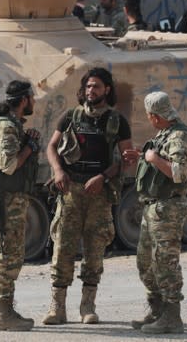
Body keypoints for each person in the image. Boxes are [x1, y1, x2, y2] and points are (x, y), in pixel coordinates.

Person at [42, 67, 135, 325]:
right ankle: (57, 307)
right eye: (88, 87)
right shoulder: (71, 116)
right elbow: (51, 146)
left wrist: (104, 177)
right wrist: (58, 170)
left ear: (107, 89)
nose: (91, 91)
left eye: (96, 86)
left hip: (98, 193)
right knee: (62, 247)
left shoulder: (116, 121)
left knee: (94, 250)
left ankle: (87, 306)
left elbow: (125, 158)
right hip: (70, 190)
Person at [127, 91, 187, 334]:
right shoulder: (164, 133)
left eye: (149, 116)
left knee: (165, 262)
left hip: (168, 208)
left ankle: (172, 317)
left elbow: (179, 173)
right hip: (154, 207)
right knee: (146, 262)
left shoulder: (178, 136)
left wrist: (153, 158)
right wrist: (142, 158)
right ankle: (157, 310)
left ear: (154, 116)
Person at [0, 80, 41, 331]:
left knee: (12, 254)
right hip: (7, 201)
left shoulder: (12, 126)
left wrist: (27, 141)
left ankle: (6, 310)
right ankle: (2, 314)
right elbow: (8, 165)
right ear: (24, 99)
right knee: (6, 256)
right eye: (32, 97)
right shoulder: (6, 128)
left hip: (12, 199)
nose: (34, 102)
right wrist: (29, 148)